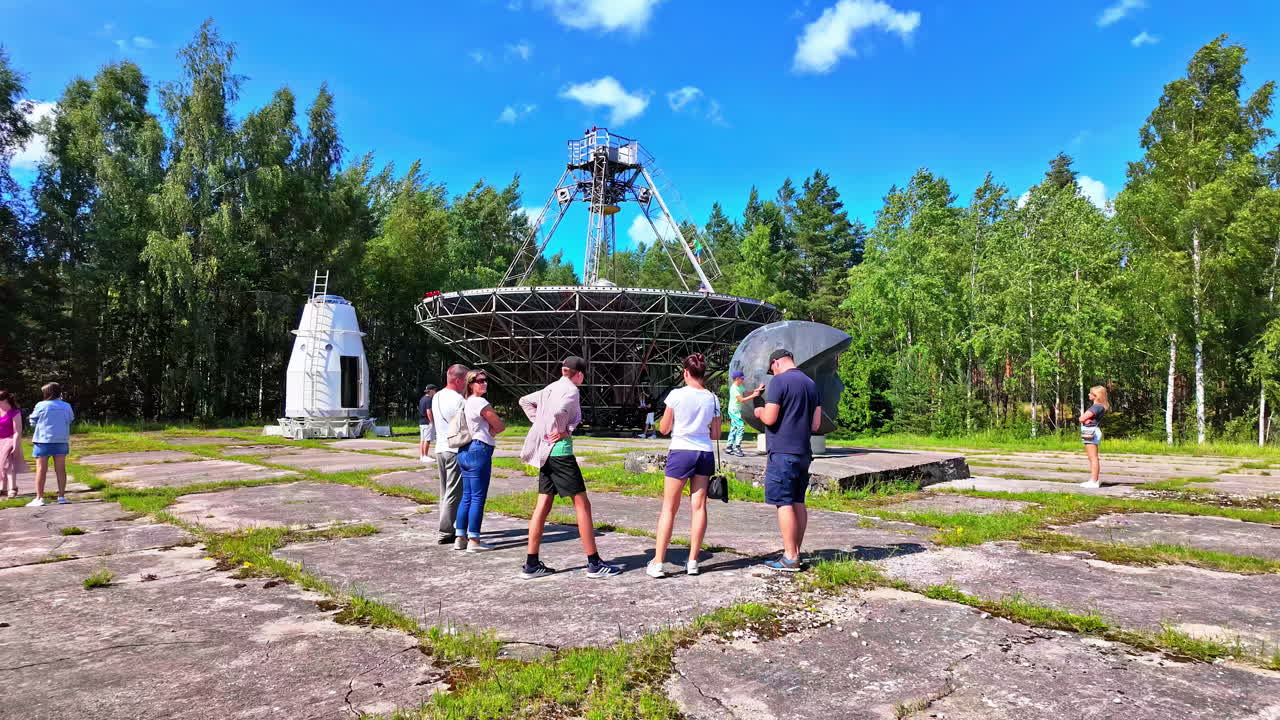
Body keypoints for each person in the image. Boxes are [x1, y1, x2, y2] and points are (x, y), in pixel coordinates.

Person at [517, 356, 621, 579]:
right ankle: (594, 563)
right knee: (583, 505)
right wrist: (559, 428)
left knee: (543, 505)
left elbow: (524, 400)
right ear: (580, 374)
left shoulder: (550, 388)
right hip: (561, 453)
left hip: (546, 453)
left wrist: (540, 423)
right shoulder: (572, 390)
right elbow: (559, 412)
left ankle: (532, 563)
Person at [647, 354, 720, 578]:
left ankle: (659, 562)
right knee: (698, 507)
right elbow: (716, 433)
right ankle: (693, 561)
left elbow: (664, 428)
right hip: (705, 453)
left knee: (669, 507)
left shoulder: (676, 395)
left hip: (681, 451)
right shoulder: (712, 398)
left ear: (685, 372)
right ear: (703, 373)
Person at [753, 349, 821, 572]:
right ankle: (796, 552)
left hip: (782, 452)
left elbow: (771, 418)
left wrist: (759, 411)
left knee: (783, 503)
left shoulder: (780, 382)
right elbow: (816, 425)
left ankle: (790, 557)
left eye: (772, 369)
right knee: (798, 502)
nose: (772, 373)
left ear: (776, 363)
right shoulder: (811, 384)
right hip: (803, 452)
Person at [455, 370, 504, 552]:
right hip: (479, 449)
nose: (484, 383)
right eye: (479, 381)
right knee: (477, 497)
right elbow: (499, 425)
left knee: (467, 496)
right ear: (470, 384)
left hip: (465, 450)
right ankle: (474, 540)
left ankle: (460, 537)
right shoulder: (480, 402)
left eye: (485, 380)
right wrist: (489, 433)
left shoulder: (466, 402)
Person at [432, 365, 468, 544]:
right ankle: (445, 532)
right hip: (454, 449)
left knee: (444, 492)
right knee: (454, 493)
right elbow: (466, 424)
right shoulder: (459, 400)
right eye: (466, 381)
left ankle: (446, 526)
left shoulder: (437, 395)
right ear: (459, 380)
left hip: (440, 448)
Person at [28, 382, 74, 507]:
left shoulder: (41, 405)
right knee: (60, 469)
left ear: (47, 393)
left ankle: (40, 498)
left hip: (43, 440)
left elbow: (33, 420)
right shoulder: (66, 406)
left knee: (41, 469)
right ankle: (62, 496)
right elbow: (70, 419)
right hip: (61, 440)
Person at [1079, 386, 1111, 489]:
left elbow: (1081, 418)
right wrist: (1085, 420)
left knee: (1093, 458)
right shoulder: (1100, 407)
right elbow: (1085, 419)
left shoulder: (1096, 407)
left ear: (1096, 396)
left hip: (1091, 431)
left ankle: (1094, 480)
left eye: (1090, 393)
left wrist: (1084, 420)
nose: (1088, 394)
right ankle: (1093, 479)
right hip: (1091, 431)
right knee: (1092, 457)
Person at [725, 370, 762, 457]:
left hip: (736, 410)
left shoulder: (740, 386)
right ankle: (737, 447)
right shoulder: (734, 388)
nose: (743, 380)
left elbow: (746, 393)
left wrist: (757, 390)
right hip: (733, 411)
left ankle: (729, 447)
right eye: (742, 379)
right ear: (737, 379)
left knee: (734, 428)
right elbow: (741, 399)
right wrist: (754, 396)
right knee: (741, 427)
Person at [0, 391, 24, 499]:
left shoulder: (14, 412)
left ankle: (12, 488)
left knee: (9, 464)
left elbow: (17, 431)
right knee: (1, 466)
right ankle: (3, 488)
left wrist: (15, 445)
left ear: (5, 400)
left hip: (10, 440)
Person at [418, 385, 438, 463]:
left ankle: (422, 455)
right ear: (431, 391)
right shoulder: (429, 399)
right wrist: (431, 421)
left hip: (421, 421)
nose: (435, 392)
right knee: (427, 440)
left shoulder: (422, 399)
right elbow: (428, 411)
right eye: (434, 391)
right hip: (427, 422)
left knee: (422, 440)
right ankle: (425, 456)